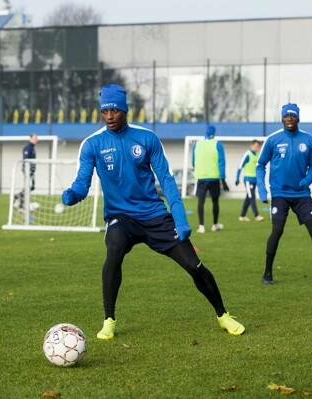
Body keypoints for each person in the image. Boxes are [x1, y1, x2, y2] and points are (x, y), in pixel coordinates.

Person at [61, 84, 245, 339]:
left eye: (115, 110)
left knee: (194, 265)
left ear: (125, 110)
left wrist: (179, 219)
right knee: (113, 249)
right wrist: (73, 194)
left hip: (154, 215)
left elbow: (167, 180)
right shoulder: (92, 144)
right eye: (105, 111)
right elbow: (83, 181)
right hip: (121, 217)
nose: (110, 116)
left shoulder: (147, 139)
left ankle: (223, 316)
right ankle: (109, 320)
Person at [257, 103, 312, 285]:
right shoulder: (273, 140)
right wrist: (262, 189)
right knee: (277, 231)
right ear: (282, 118)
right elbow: (260, 165)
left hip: (302, 195)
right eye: (286, 116)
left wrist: (307, 180)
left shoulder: (308, 140)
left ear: (298, 118)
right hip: (280, 194)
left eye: (293, 116)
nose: (289, 119)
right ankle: (267, 273)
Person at [192, 125, 229, 233]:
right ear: (214, 133)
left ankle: (201, 226)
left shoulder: (197, 144)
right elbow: (222, 162)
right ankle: (215, 224)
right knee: (215, 201)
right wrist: (223, 179)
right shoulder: (218, 144)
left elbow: (193, 161)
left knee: (200, 202)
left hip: (201, 177)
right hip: (214, 178)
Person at [235, 140, 264, 222]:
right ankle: (257, 215)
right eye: (255, 146)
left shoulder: (258, 155)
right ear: (251, 146)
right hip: (248, 180)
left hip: (255, 180)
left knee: (248, 197)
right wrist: (237, 178)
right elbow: (240, 166)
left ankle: (242, 216)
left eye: (258, 146)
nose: (256, 147)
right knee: (252, 197)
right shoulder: (247, 154)